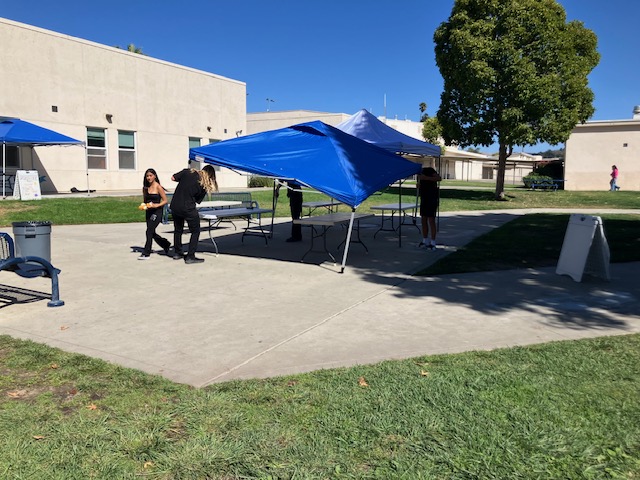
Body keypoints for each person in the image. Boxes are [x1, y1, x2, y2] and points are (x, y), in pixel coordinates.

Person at [170, 165, 218, 264]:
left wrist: (183, 182)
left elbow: (173, 178)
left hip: (175, 204)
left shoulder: (188, 172)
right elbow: (197, 200)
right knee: (195, 231)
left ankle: (177, 253)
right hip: (188, 207)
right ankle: (190, 256)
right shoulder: (204, 184)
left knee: (178, 229)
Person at [139, 168, 171, 260]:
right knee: (151, 232)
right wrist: (144, 206)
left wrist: (157, 205)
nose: (149, 178)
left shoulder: (158, 187)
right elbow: (145, 201)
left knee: (148, 231)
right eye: (147, 176)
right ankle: (165, 244)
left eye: (150, 175)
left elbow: (165, 201)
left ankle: (146, 252)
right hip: (148, 212)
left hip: (157, 212)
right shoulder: (145, 188)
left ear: (154, 176)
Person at [418, 166, 442, 250]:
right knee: (423, 219)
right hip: (424, 198)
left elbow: (439, 178)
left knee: (431, 220)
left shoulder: (428, 170)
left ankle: (433, 241)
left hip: (432, 198)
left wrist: (426, 178)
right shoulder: (418, 173)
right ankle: (425, 240)